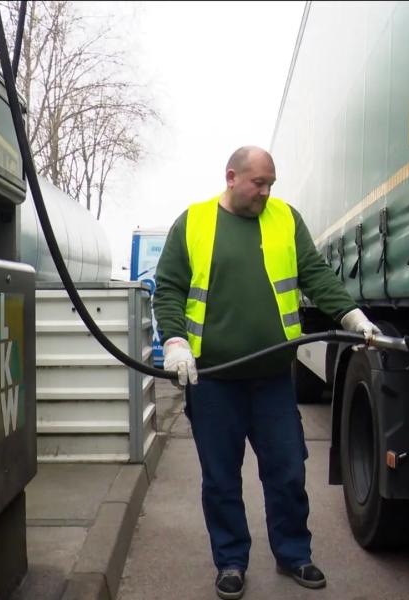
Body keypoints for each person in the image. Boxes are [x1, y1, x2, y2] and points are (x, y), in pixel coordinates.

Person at [153, 146, 382, 599]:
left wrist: (352, 317)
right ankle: (231, 561)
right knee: (221, 479)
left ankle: (294, 553)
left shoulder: (285, 219)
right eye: (259, 183)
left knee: (288, 471)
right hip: (215, 381)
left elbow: (315, 275)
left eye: (271, 183)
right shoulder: (194, 222)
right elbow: (170, 289)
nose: (266, 192)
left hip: (274, 379)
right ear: (232, 177)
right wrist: (175, 342)